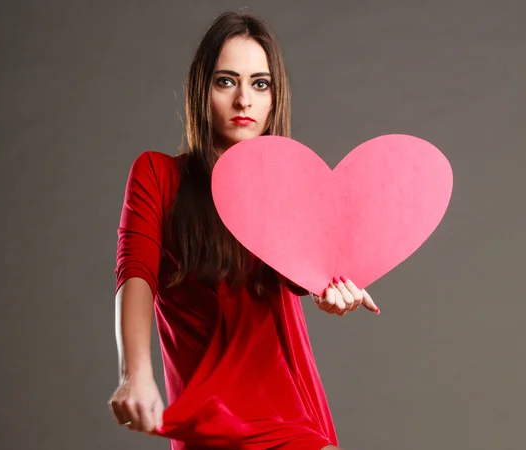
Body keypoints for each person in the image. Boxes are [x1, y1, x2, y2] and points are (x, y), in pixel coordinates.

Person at [108, 10, 379, 450]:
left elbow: (310, 277)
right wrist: (134, 375)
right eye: (226, 81)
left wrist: (333, 291)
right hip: (209, 424)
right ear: (202, 90)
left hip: (287, 416)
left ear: (275, 98)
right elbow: (134, 273)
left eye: (260, 84)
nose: (244, 101)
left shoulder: (287, 190)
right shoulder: (157, 175)